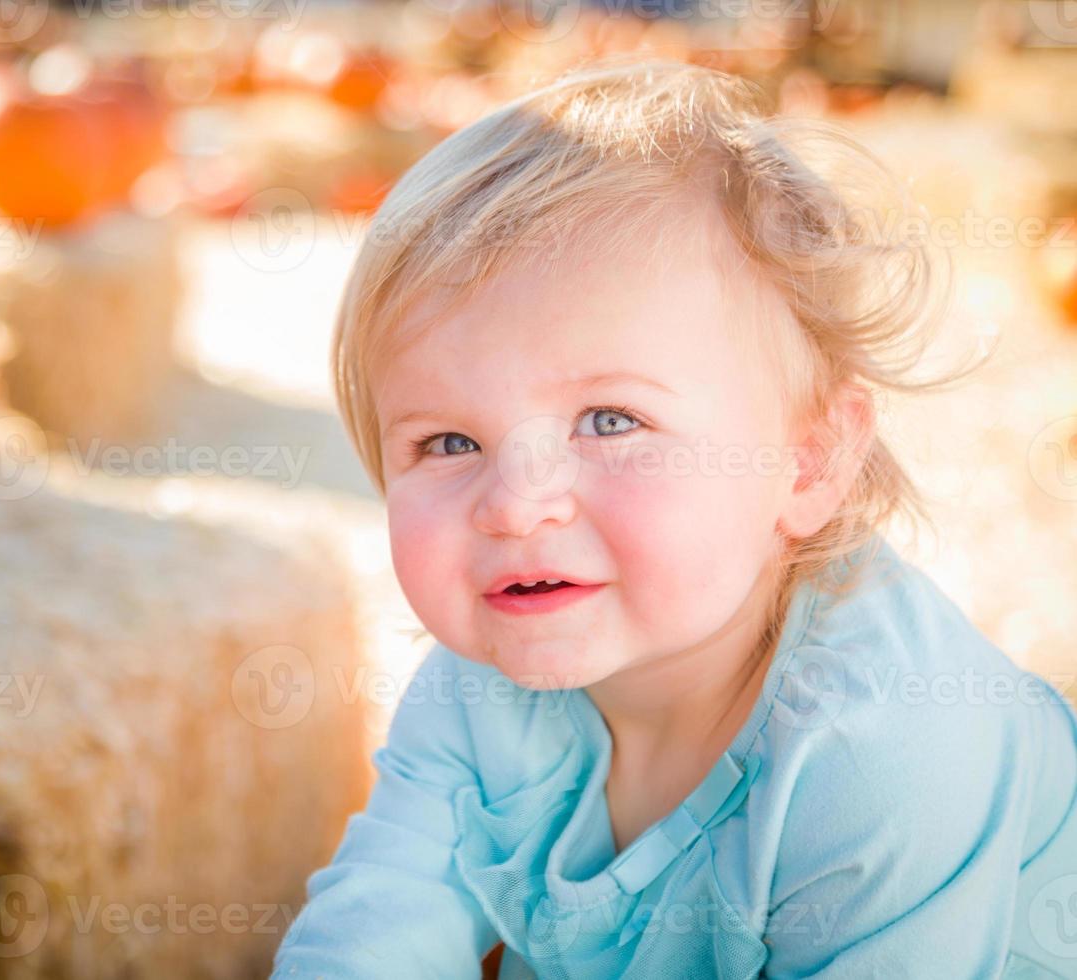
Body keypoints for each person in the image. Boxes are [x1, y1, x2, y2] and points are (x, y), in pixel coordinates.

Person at [270, 56, 1077, 978]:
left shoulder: (890, 754)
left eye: (610, 421)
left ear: (807, 461)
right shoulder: (476, 691)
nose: (514, 503)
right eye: (449, 442)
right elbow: (375, 928)